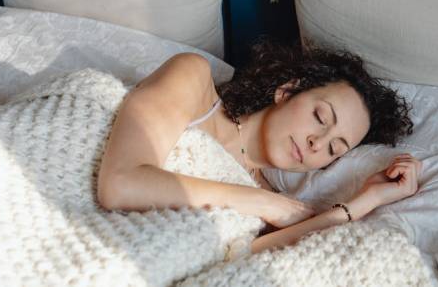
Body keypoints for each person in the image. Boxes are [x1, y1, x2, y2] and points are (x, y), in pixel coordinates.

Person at [97, 40, 418, 253]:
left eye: (334, 149)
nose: (317, 143)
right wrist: (261, 203)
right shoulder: (192, 78)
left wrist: (370, 198)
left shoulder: (270, 197)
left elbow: (244, 259)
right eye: (320, 117)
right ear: (287, 91)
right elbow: (120, 184)